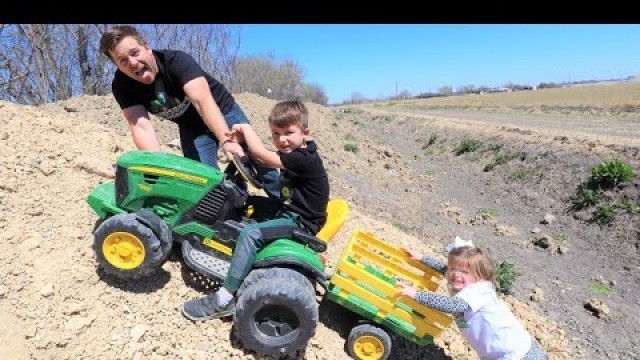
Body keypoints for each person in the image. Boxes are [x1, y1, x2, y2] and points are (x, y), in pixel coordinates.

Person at [182, 99, 330, 320]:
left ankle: (224, 297)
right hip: (291, 210)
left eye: (288, 132)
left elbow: (263, 156)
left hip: (301, 222)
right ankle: (231, 255)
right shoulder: (298, 153)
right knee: (248, 203)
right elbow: (261, 157)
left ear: (305, 132)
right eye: (276, 134)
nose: (282, 140)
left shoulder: (305, 159)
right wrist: (244, 149)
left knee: (250, 234)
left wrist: (245, 128)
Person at [98, 24, 280, 198]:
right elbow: (141, 127)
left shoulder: (176, 61)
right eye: (123, 60)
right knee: (201, 180)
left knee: (259, 161)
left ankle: (296, 210)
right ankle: (231, 214)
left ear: (147, 48)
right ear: (116, 65)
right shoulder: (122, 86)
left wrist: (227, 140)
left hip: (222, 111)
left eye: (135, 53)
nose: (133, 63)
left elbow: (202, 102)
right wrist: (159, 167)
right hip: (192, 127)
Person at [398, 237, 548, 360]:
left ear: (478, 274)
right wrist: (421, 258)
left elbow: (451, 305)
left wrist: (415, 294)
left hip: (515, 353)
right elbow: (444, 268)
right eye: (453, 269)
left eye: (464, 271)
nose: (456, 274)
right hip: (496, 351)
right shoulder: (462, 281)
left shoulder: (477, 292)